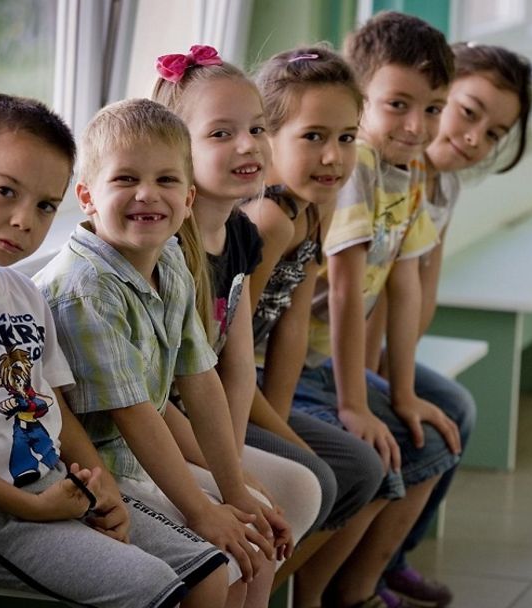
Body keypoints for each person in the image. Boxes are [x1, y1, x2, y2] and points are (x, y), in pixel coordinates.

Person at [0, 93, 232, 607]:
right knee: (155, 590)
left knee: (212, 572)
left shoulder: (22, 291)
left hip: (57, 484)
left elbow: (53, 403)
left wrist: (100, 485)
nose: (24, 220)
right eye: (5, 192)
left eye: (43, 205)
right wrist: (30, 507)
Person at [33, 98, 275, 608]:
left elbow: (200, 378)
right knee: (223, 559)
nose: (147, 194)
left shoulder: (169, 259)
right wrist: (201, 510)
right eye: (124, 180)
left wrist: (233, 491)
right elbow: (135, 413)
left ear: (188, 199)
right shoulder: (85, 289)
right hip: (92, 477)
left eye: (166, 181)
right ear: (87, 197)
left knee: (256, 540)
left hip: (137, 466)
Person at [291, 12, 463, 608]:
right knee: (378, 461)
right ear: (361, 100)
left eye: (434, 108)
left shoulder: (409, 168)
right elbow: (343, 289)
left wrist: (405, 389)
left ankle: (360, 587)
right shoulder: (356, 165)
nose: (418, 126)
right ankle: (314, 597)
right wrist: (352, 404)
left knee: (434, 441)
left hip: (325, 365)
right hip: (293, 368)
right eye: (398, 105)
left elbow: (404, 281)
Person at [367, 42, 532, 608]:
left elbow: (423, 289)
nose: (473, 138)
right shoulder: (388, 174)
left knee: (457, 409)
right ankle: (361, 578)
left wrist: (401, 366)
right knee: (414, 428)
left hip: (384, 351)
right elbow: (367, 295)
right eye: (468, 112)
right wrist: (378, 385)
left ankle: (391, 561)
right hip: (347, 354)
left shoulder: (445, 186)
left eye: (493, 134)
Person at [151, 45, 320, 548]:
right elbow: (151, 398)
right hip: (158, 435)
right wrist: (228, 471)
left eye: (257, 128)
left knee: (303, 487)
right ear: (177, 151)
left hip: (211, 427)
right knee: (265, 508)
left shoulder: (243, 234)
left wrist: (234, 455)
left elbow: (239, 367)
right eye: (222, 134)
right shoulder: (163, 251)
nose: (248, 145)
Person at [241, 45, 387, 605]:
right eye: (313, 136)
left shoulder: (312, 207)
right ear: (266, 136)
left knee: (364, 470)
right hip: (198, 399)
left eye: (347, 137)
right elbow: (220, 351)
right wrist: (285, 442)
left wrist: (280, 428)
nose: (334, 156)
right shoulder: (267, 219)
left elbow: (291, 330)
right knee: (321, 478)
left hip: (249, 392)